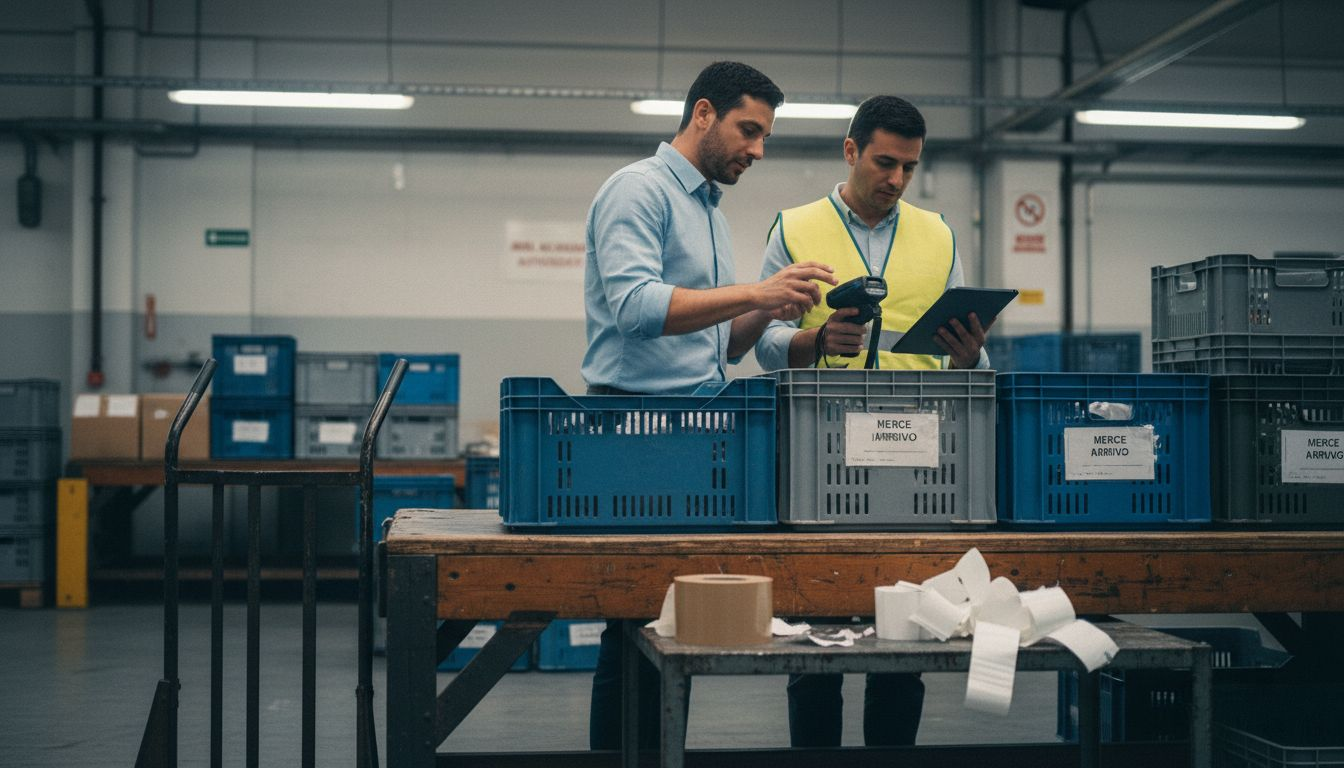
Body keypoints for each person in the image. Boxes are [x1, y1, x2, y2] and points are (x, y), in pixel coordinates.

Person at [581, 61, 837, 750]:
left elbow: (719, 348)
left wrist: (783, 310)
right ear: (702, 114)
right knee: (630, 614)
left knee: (672, 619)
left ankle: (659, 752)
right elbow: (636, 308)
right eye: (748, 130)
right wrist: (755, 292)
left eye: (764, 136)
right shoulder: (638, 191)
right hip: (634, 432)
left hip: (692, 431)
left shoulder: (708, 212)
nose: (758, 149)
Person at [753, 95, 992, 747]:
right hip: (819, 460)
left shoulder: (939, 234)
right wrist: (814, 341)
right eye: (885, 162)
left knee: (903, 647)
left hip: (917, 467)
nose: (896, 179)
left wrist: (971, 359)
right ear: (851, 150)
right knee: (815, 651)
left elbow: (974, 356)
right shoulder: (794, 228)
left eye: (909, 168)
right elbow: (761, 344)